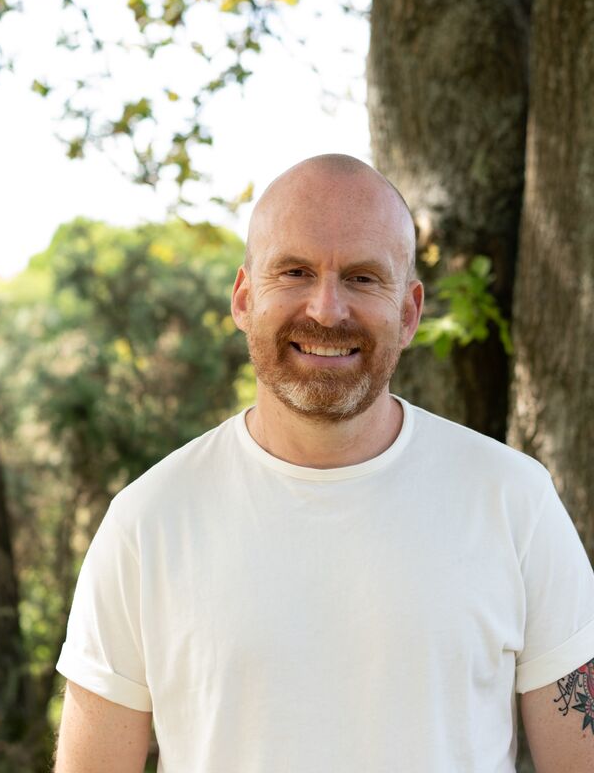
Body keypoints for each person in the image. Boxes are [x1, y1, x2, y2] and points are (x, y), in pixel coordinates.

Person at [53, 155, 594, 772]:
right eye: (295, 272)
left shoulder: (513, 500)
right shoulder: (148, 524)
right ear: (244, 297)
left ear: (410, 312)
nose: (327, 309)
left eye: (363, 278)